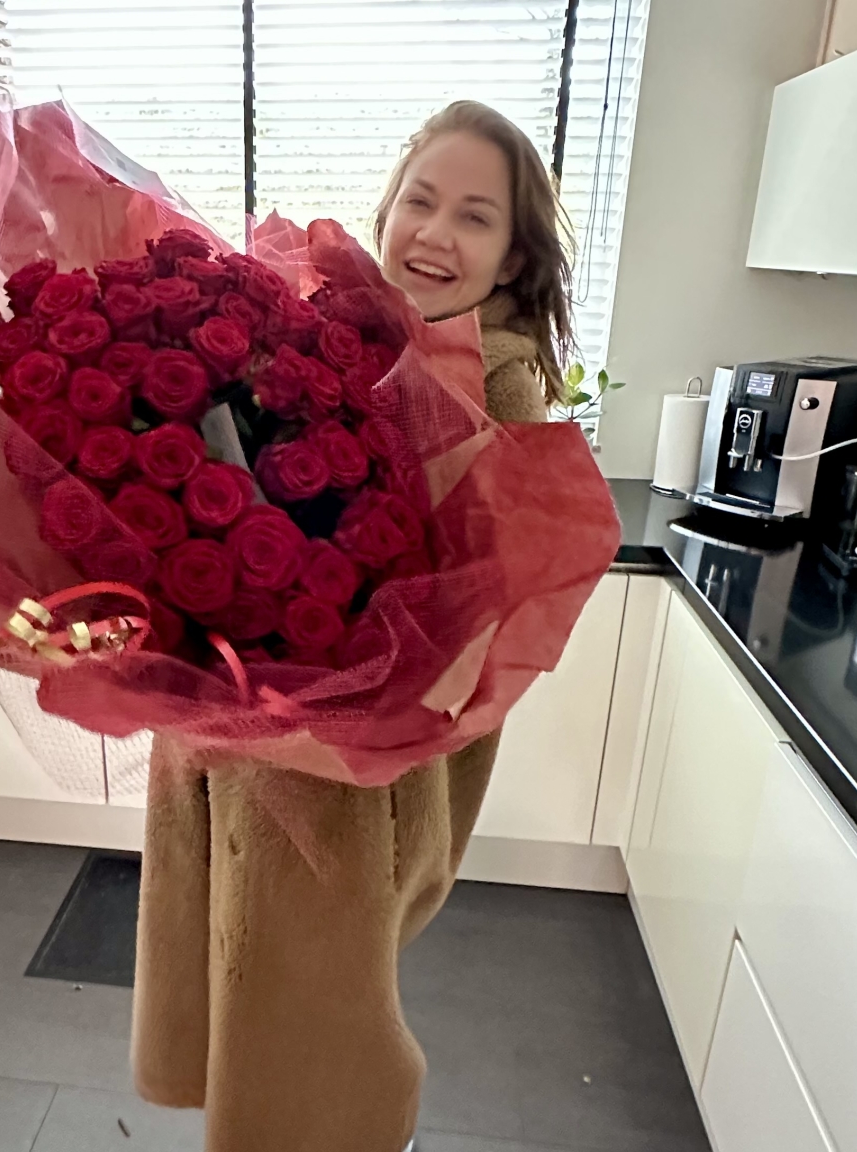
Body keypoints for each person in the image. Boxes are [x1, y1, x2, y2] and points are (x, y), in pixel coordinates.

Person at [132, 100, 577, 1152]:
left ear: (513, 257)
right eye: (420, 200)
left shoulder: (499, 382)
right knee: (256, 971)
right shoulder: (350, 328)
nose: (435, 233)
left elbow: (481, 609)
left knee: (315, 1008)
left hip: (353, 761)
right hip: (262, 728)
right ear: (387, 209)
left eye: (474, 216)